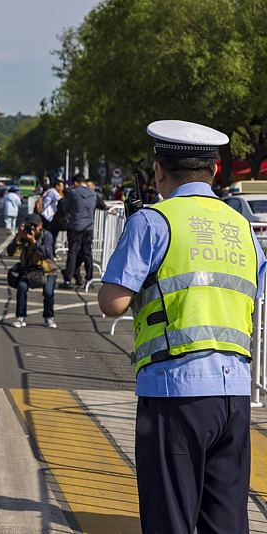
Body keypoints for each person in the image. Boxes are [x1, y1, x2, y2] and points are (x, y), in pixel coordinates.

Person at [97, 120, 267, 534]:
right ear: (215, 170)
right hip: (234, 391)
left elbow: (111, 303)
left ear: (159, 171)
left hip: (174, 390)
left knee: (170, 519)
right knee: (226, 520)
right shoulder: (242, 227)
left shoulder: (153, 221)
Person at [7, 213, 58, 328]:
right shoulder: (23, 235)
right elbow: (11, 252)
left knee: (48, 292)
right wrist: (18, 237)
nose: (32, 229)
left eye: (35, 226)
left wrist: (33, 241)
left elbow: (47, 254)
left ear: (41, 225)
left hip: (47, 270)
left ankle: (49, 317)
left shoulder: (46, 235)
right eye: (29, 225)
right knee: (21, 287)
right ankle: (20, 317)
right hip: (29, 270)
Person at [59, 173, 99, 289]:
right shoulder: (93, 193)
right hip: (89, 226)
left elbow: (65, 208)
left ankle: (68, 280)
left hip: (75, 226)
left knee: (73, 253)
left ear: (75, 183)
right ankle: (89, 278)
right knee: (87, 253)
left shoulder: (74, 192)